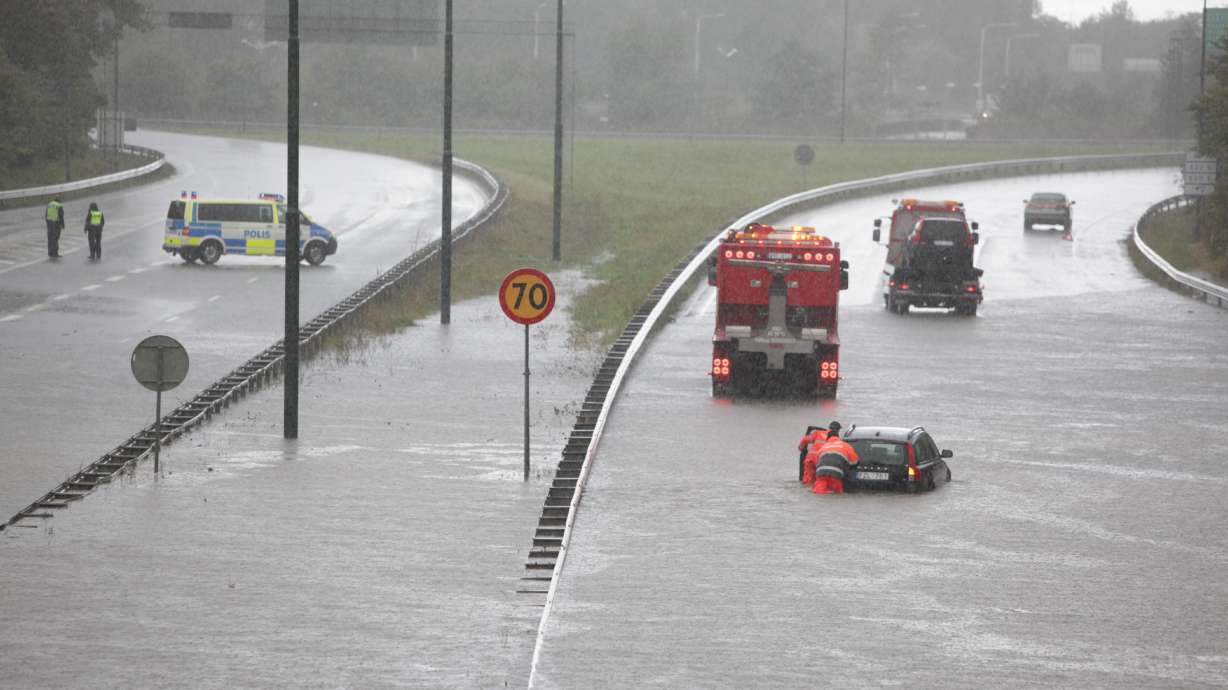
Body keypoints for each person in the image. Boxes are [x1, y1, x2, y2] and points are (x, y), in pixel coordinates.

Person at [812, 428, 860, 495]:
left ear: (827, 439)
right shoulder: (845, 445)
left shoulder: (823, 447)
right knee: (837, 495)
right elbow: (854, 462)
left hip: (821, 474)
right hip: (836, 474)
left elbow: (816, 462)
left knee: (819, 494)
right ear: (838, 437)